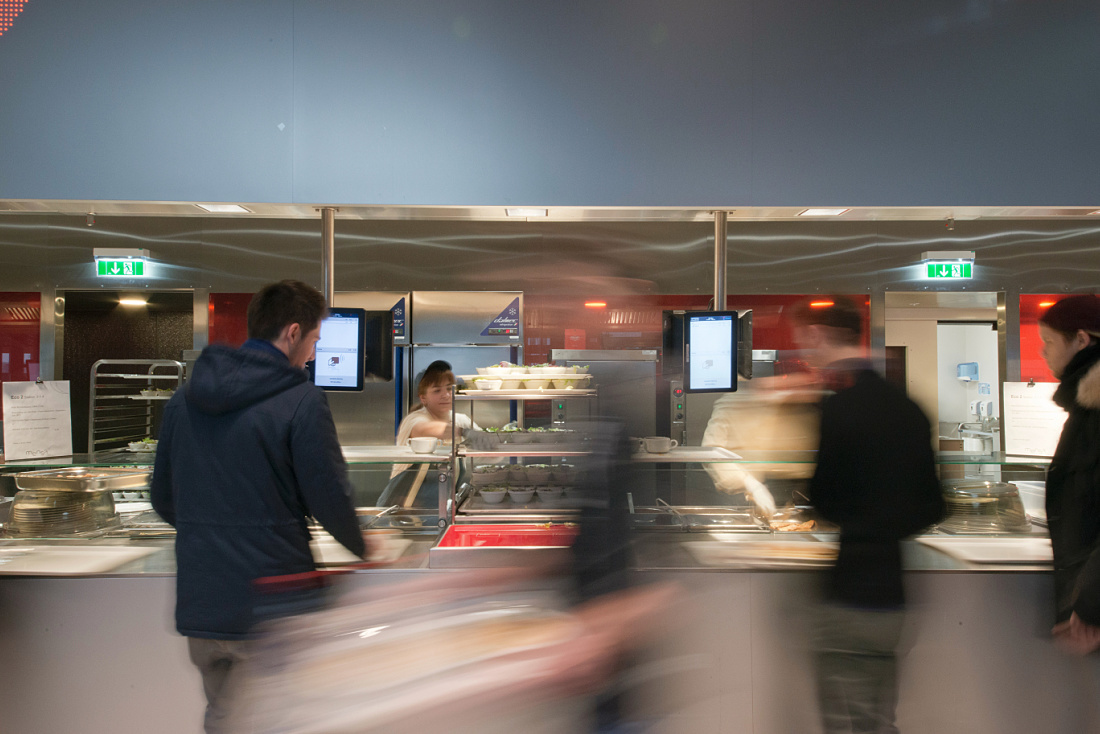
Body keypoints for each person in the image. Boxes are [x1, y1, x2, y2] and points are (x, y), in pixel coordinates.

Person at [151, 279, 366, 733]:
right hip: (275, 601)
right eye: (313, 341)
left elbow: (163, 497)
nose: (311, 353)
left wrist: (215, 531)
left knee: (224, 718)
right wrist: (367, 548)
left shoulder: (184, 398)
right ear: (292, 333)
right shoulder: (301, 399)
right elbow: (329, 496)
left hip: (204, 602)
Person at [790, 296, 944, 734]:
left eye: (804, 340)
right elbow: (932, 504)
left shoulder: (838, 409)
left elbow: (824, 500)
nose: (804, 351)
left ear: (819, 335)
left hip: (849, 588)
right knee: (877, 718)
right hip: (892, 593)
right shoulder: (908, 407)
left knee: (842, 718)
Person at [1037, 295, 1100, 655]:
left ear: (1081, 339)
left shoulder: (1095, 413)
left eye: (1048, 341)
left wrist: (1091, 604)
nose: (1044, 352)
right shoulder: (1085, 408)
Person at [379, 360, 480, 508]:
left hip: (440, 510)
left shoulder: (461, 419)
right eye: (437, 390)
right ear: (423, 398)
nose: (446, 395)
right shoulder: (414, 419)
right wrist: (462, 431)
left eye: (449, 388)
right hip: (401, 510)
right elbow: (425, 429)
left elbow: (489, 448)